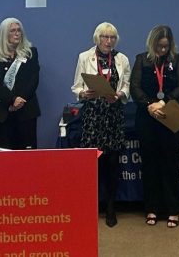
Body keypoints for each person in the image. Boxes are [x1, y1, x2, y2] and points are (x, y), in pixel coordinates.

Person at [71, 22, 131, 227]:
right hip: (93, 117)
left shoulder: (122, 59)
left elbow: (126, 86)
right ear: (97, 38)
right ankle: (91, 206)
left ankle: (111, 208)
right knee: (93, 165)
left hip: (113, 116)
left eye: (112, 37)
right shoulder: (84, 57)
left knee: (112, 165)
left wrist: (120, 94)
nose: (108, 41)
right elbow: (76, 86)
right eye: (105, 37)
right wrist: (83, 93)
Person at [130, 25, 179, 228]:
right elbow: (134, 87)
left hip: (171, 116)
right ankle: (152, 208)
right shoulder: (141, 60)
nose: (163, 50)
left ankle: (173, 209)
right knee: (150, 164)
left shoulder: (178, 59)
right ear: (152, 44)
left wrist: (165, 101)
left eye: (166, 46)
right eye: (159, 46)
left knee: (172, 163)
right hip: (147, 118)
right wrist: (149, 105)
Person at [0, 18, 40, 150]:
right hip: (2, 112)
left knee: (27, 155)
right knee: (4, 154)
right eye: (12, 31)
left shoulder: (30, 53)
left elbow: (33, 80)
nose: (17, 34)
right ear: (4, 34)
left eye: (19, 30)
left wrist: (19, 100)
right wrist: (12, 99)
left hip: (26, 110)